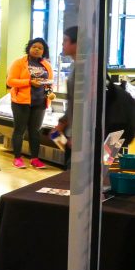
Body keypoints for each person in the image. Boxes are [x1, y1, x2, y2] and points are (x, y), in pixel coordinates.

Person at [7, 38, 53, 169]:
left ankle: (35, 158)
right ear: (29, 48)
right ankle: (17, 158)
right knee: (19, 130)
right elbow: (10, 81)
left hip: (40, 102)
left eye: (40, 48)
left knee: (35, 131)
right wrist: (28, 82)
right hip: (21, 102)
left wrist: (50, 94)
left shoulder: (46, 65)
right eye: (34, 46)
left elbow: (49, 82)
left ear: (44, 51)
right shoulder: (19, 62)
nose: (37, 49)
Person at [55, 26, 77, 168]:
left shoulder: (85, 68)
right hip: (72, 132)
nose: (63, 44)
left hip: (79, 134)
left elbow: (81, 104)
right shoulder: (76, 66)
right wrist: (62, 124)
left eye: (65, 40)